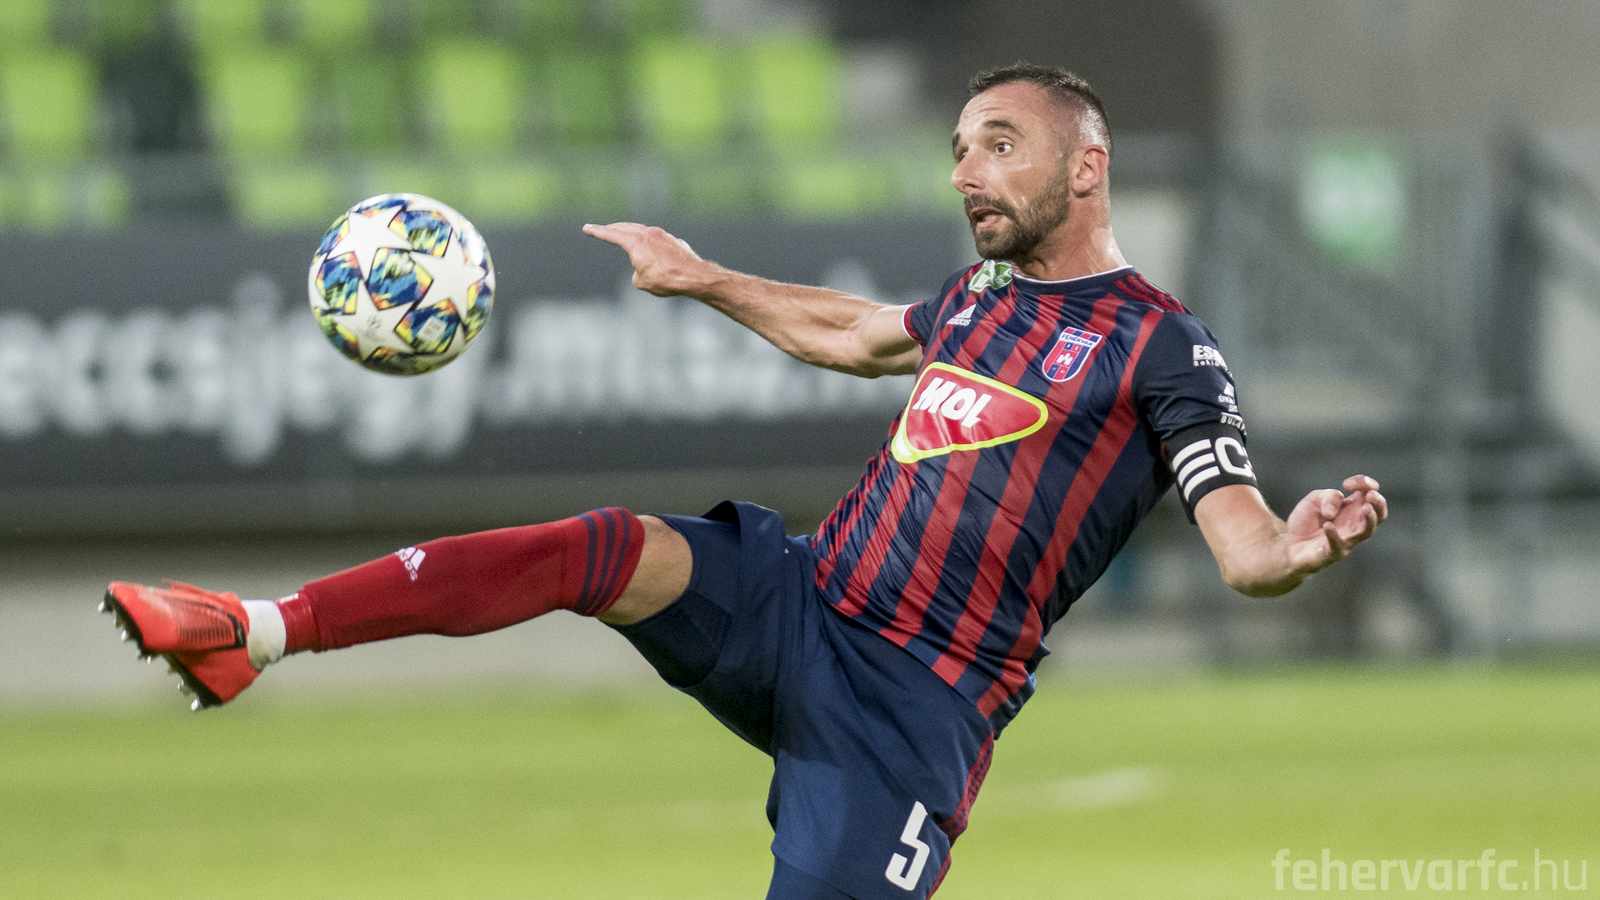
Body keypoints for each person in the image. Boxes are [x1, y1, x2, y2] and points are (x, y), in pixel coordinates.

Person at [102, 63, 1386, 900]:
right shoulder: (979, 296)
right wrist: (703, 277)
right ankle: (254, 632)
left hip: (912, 706)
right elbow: (853, 335)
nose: (964, 173)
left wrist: (1299, 544)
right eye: (958, 148)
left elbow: (1242, 548)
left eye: (998, 146)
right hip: (802, 600)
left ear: (1085, 166)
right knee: (601, 549)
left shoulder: (1161, 345)